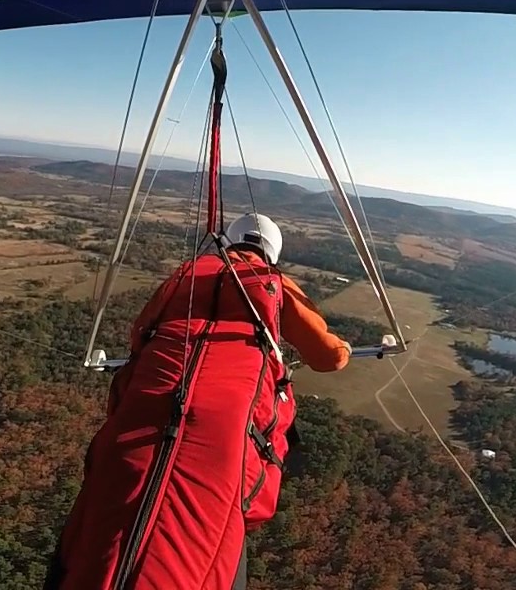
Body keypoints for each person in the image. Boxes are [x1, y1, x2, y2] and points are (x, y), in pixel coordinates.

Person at [46, 213, 355, 590]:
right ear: (270, 253)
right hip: (225, 422)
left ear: (230, 240)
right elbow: (329, 358)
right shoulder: (274, 283)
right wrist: (345, 349)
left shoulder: (188, 272)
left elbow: (140, 333)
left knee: (106, 508)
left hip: (147, 402)